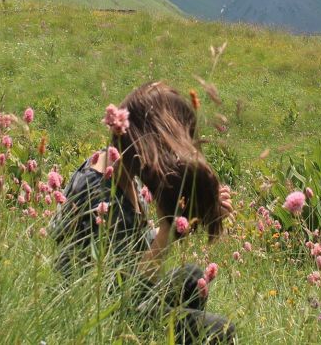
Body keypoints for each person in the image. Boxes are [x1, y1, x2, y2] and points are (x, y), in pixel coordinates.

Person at [50, 81, 236, 343]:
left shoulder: (122, 169)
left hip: (122, 293)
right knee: (220, 330)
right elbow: (123, 294)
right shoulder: (98, 196)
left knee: (193, 277)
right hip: (100, 316)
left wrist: (194, 214)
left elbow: (131, 246)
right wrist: (168, 232)